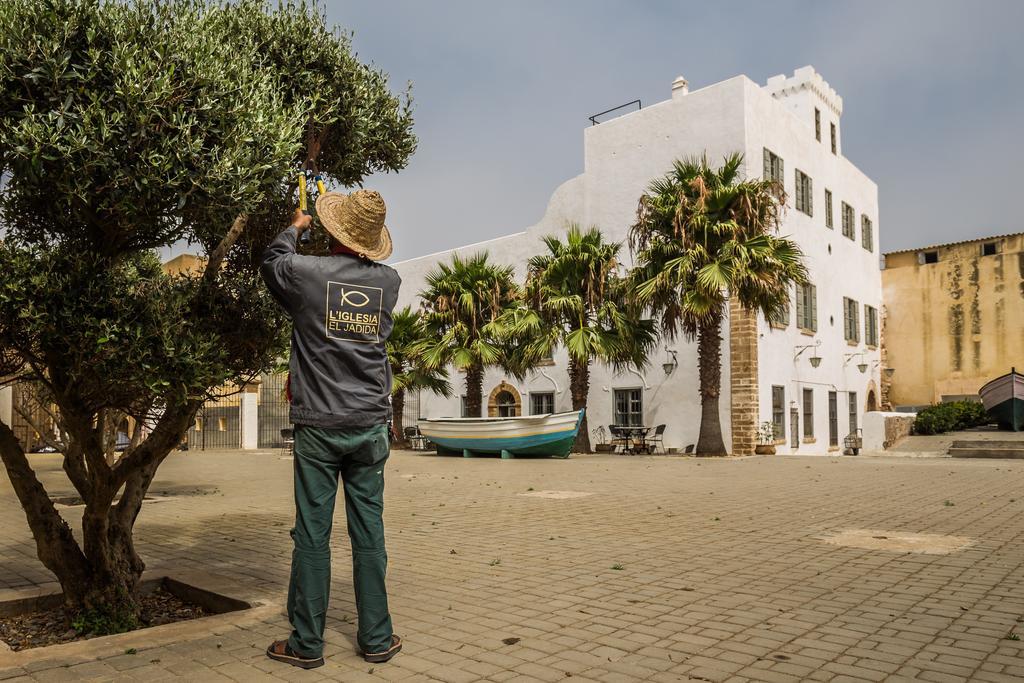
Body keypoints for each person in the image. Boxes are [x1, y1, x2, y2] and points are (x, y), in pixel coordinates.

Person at [260, 189, 402, 669]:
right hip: (370, 427)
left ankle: (306, 644)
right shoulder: (390, 282)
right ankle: (377, 639)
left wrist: (297, 226)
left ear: (335, 231)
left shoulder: (307, 273)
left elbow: (274, 260)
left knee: (313, 536)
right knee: (370, 536)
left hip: (319, 427)